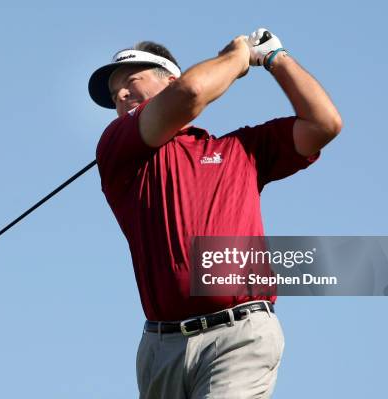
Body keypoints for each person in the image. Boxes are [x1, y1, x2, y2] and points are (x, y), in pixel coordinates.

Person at [88, 28, 342, 399]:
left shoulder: (241, 150)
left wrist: (275, 59)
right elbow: (190, 94)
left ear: (168, 79)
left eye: (131, 82)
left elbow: (324, 124)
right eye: (114, 95)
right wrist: (239, 58)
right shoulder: (118, 147)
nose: (120, 96)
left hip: (239, 336)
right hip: (161, 349)